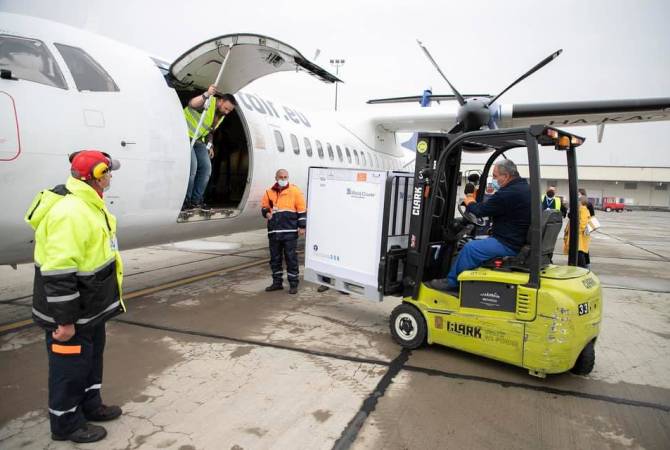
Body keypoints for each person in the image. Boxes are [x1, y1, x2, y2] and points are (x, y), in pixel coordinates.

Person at [24, 150, 126, 443]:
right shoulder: (70, 212)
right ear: (95, 177)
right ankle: (65, 424)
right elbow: (57, 272)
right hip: (72, 313)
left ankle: (90, 405)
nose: (111, 177)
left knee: (91, 361)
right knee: (68, 370)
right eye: (108, 172)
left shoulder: (90, 204)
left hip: (91, 309)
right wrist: (65, 321)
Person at [429, 159, 530, 292]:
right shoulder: (525, 188)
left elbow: (480, 211)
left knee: (470, 248)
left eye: (495, 176)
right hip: (515, 237)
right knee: (474, 242)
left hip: (508, 243)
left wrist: (470, 202)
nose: (494, 179)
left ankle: (452, 282)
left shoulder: (508, 193)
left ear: (506, 176)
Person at [182, 85, 238, 211]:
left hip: (199, 141)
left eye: (229, 111)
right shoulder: (208, 102)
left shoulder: (220, 115)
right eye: (226, 108)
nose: (227, 112)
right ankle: (186, 201)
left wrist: (210, 146)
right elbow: (192, 104)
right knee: (193, 167)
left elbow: (210, 131)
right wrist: (206, 94)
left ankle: (196, 201)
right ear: (221, 101)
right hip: (185, 136)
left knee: (207, 169)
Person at [261, 169, 306, 294]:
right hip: (274, 232)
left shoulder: (295, 191)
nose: (283, 179)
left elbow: (301, 210)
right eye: (281, 177)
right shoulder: (268, 192)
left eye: (285, 177)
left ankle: (293, 284)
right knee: (275, 258)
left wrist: (302, 226)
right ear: (276, 178)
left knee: (291, 258)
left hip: (289, 231)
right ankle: (277, 283)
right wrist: (266, 213)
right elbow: (264, 207)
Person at [563, 196, 592, 268]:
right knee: (578, 252)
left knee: (579, 252)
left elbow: (583, 223)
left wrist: (575, 231)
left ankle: (584, 268)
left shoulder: (583, 209)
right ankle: (581, 267)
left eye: (578, 201)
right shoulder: (581, 209)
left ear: (581, 202)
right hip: (579, 236)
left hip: (579, 237)